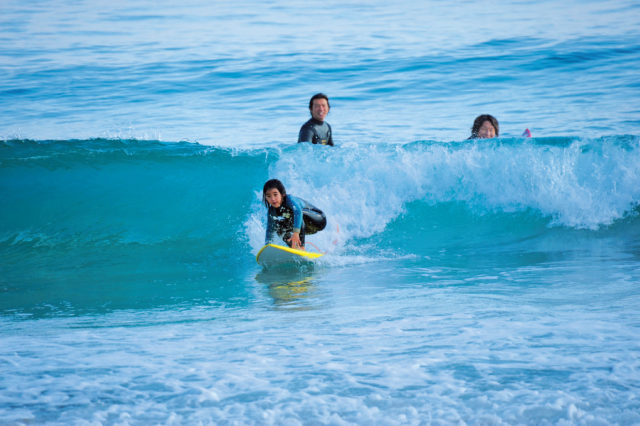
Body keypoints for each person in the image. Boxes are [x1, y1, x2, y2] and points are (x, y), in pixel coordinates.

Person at [262, 179, 326, 249]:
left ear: (282, 194)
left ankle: (302, 248)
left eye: (275, 194)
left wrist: (296, 233)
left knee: (297, 214)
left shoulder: (290, 200)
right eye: (269, 196)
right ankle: (295, 247)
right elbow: (270, 229)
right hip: (306, 228)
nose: (273, 199)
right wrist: (267, 246)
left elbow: (298, 212)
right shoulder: (272, 210)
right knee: (278, 227)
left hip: (319, 220)